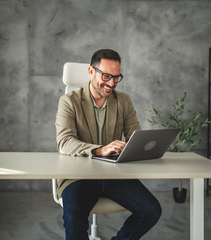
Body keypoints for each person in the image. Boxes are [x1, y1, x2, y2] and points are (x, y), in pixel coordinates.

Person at [55, 49, 161, 240]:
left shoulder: (123, 101)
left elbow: (134, 136)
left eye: (116, 77)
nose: (111, 83)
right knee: (73, 218)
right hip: (79, 176)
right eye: (106, 76)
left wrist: (138, 145)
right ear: (90, 72)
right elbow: (65, 142)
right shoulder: (69, 101)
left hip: (114, 175)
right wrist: (98, 150)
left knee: (151, 210)